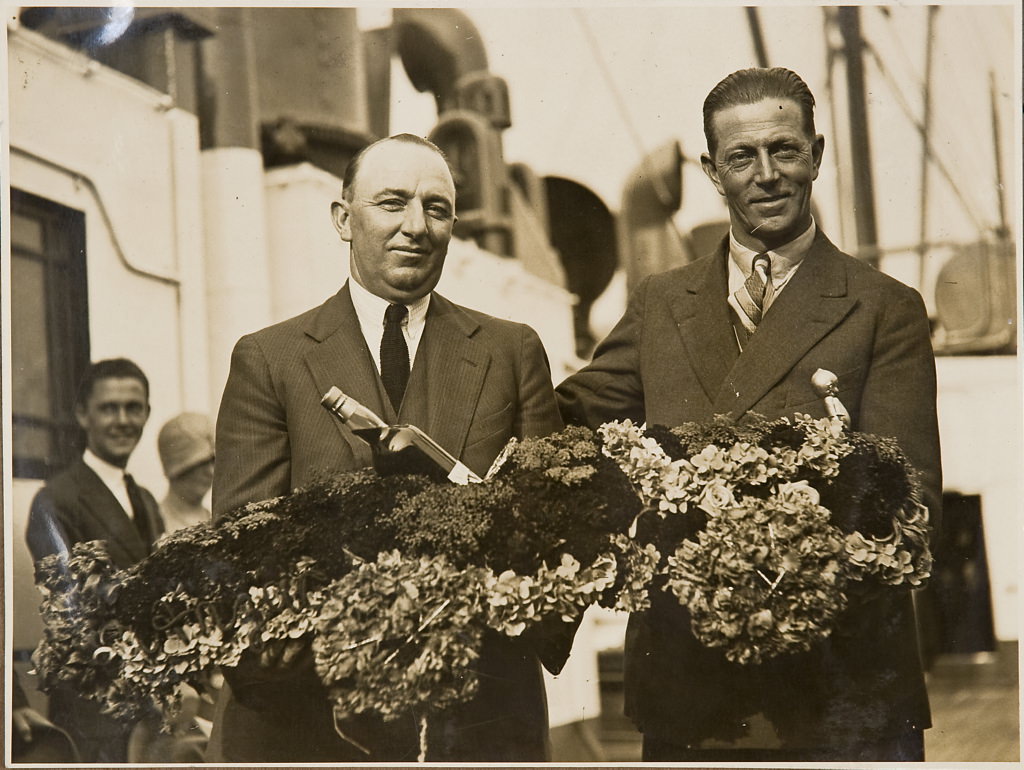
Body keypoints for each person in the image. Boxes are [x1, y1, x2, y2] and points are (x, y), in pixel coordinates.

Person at [556, 67, 942, 763]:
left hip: (841, 696)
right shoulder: (658, 303)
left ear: (816, 154)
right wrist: (488, 362)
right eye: (742, 156)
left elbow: (910, 498)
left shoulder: (884, 307)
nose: (766, 174)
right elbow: (564, 422)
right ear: (712, 170)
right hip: (689, 691)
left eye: (784, 150)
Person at [208, 133, 566, 763]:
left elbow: (551, 538)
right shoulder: (271, 358)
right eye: (392, 203)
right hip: (314, 725)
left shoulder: (513, 352)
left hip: (477, 722)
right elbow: (243, 545)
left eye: (437, 208)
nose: (416, 227)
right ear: (344, 219)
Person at [26, 357, 164, 763]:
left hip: (149, 700)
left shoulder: (146, 500)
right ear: (82, 415)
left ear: (147, 413)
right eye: (109, 408)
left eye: (133, 407)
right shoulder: (56, 499)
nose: (123, 420)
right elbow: (70, 612)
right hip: (94, 706)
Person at [156, 412, 215, 534]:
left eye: (214, 462)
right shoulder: (155, 524)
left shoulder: (216, 518)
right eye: (201, 463)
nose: (211, 472)